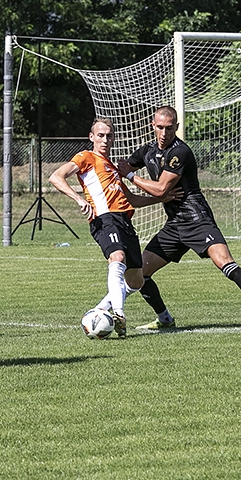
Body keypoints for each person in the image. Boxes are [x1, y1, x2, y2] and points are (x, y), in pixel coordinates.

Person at [117, 106, 241, 334]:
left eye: (169, 128)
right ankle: (164, 318)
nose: (164, 133)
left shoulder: (181, 152)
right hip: (174, 225)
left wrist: (129, 175)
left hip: (197, 220)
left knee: (225, 262)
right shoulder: (147, 151)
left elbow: (159, 189)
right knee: (139, 272)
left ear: (176, 127)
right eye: (160, 127)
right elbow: (121, 167)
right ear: (152, 125)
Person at [50, 117, 175, 338]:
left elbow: (132, 200)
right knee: (117, 258)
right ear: (92, 137)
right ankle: (118, 314)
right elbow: (56, 177)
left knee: (136, 280)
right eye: (100, 135)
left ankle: (100, 312)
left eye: (109, 135)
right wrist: (79, 200)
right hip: (104, 219)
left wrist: (162, 198)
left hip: (124, 222)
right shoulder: (85, 157)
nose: (105, 139)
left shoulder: (114, 169)